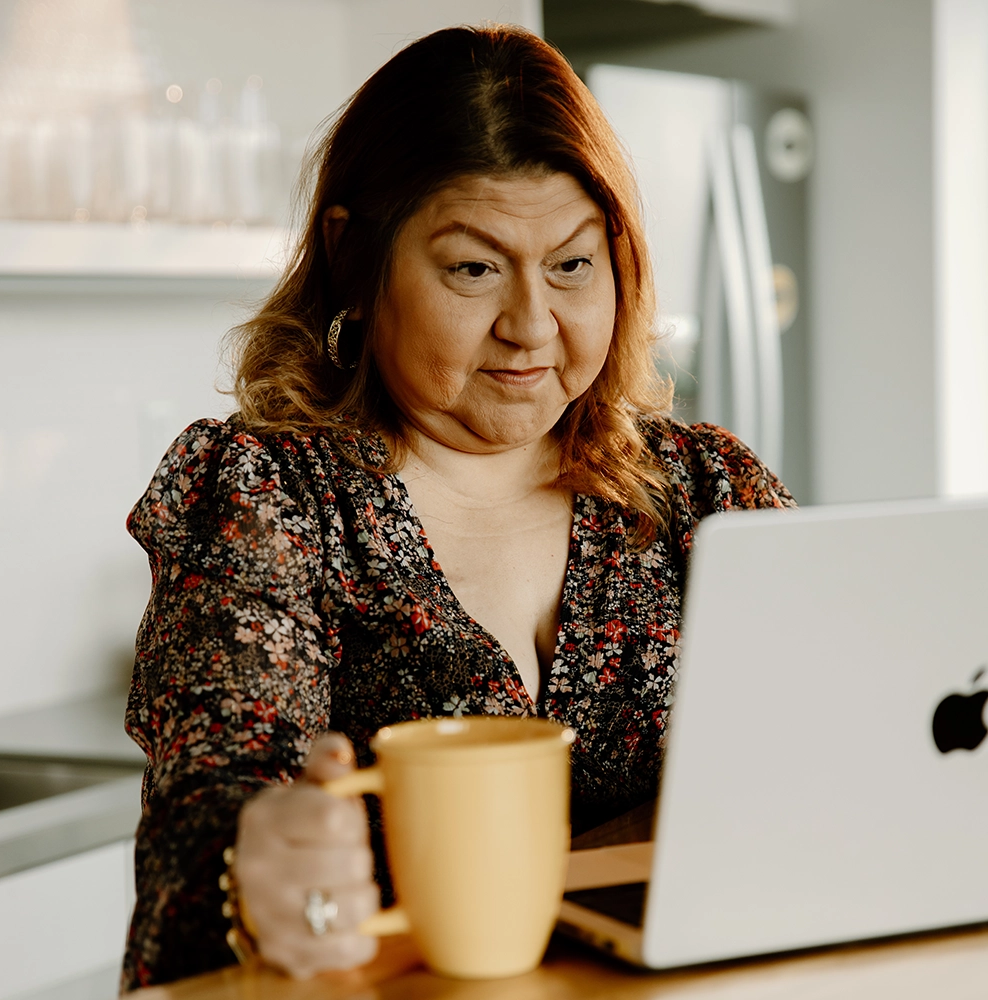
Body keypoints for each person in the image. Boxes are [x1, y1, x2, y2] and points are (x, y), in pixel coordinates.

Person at [121, 23, 794, 991]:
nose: (529, 324)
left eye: (571, 265)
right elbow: (222, 773)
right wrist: (259, 844)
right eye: (473, 268)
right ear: (356, 258)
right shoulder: (268, 492)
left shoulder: (707, 491)